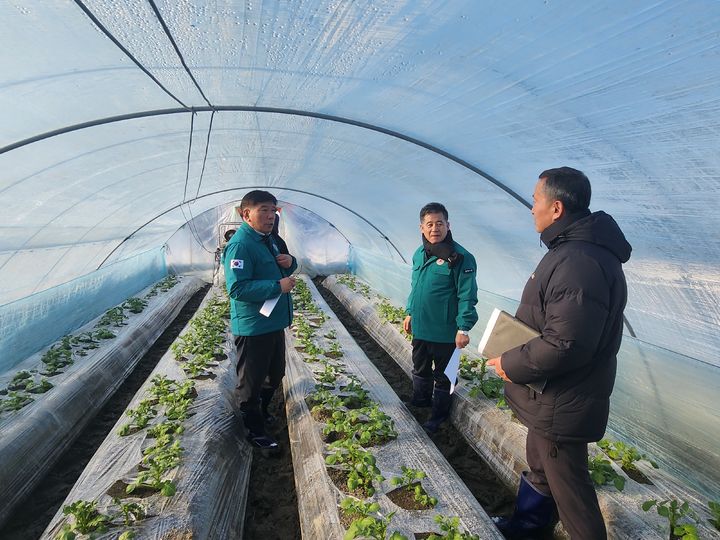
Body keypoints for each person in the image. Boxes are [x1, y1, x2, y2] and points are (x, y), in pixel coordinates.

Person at [488, 167, 631, 539]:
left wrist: (510, 362)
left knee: (571, 491)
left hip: (563, 398)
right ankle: (528, 527)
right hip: (552, 396)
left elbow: (566, 344)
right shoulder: (572, 251)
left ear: (556, 208)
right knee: (541, 465)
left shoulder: (579, 261)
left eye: (535, 199)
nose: (531, 207)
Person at [223, 190, 297, 450]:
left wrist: (291, 262)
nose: (270, 215)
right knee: (251, 383)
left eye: (273, 210)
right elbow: (238, 289)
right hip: (254, 327)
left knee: (275, 373)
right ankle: (254, 430)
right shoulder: (241, 245)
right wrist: (278, 286)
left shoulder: (269, 239)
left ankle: (262, 411)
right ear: (246, 214)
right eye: (264, 210)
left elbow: (282, 266)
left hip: (273, 322)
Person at [403, 202, 478, 433]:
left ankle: (438, 416)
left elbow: (467, 295)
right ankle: (420, 402)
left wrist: (463, 328)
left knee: (445, 376)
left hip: (446, 332)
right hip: (422, 328)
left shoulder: (461, 257)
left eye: (439, 223)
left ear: (448, 225)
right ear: (421, 227)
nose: (434, 228)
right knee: (420, 368)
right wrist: (409, 312)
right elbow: (416, 287)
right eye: (429, 224)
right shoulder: (419, 253)